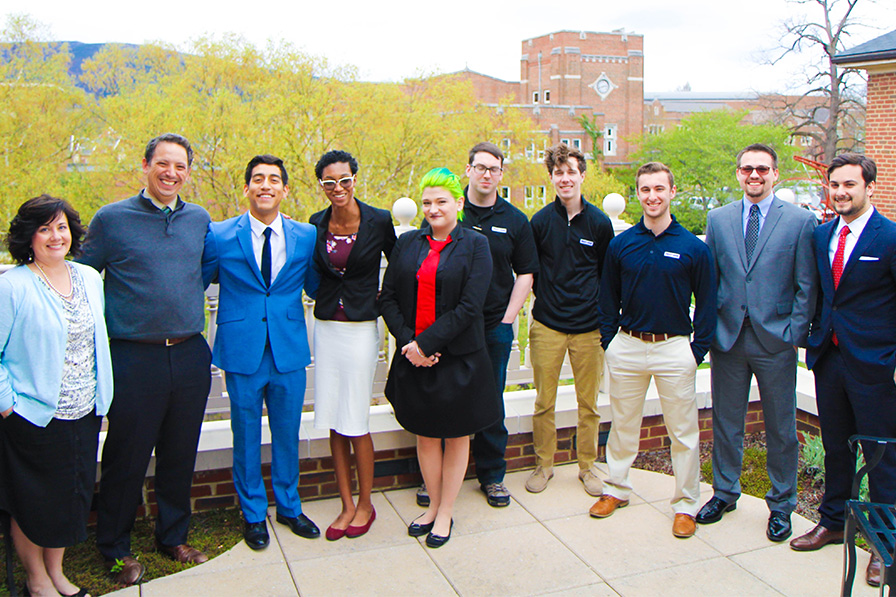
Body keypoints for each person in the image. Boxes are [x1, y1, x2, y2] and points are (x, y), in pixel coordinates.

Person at [79, 133, 212, 585]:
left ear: (188, 172)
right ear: (146, 165)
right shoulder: (112, 219)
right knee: (126, 455)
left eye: (180, 166)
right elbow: (82, 277)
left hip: (189, 353)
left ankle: (172, 537)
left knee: (180, 452)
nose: (171, 173)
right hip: (134, 356)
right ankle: (115, 549)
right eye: (163, 164)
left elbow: (208, 267)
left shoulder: (198, 219)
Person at [698, 143, 817, 543]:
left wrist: (793, 333)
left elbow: (806, 285)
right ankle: (724, 492)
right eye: (747, 168)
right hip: (729, 338)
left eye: (762, 169)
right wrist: (711, 328)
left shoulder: (800, 221)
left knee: (781, 427)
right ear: (738, 173)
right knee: (726, 422)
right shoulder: (718, 219)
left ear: (775, 174)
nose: (754, 175)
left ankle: (781, 505)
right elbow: (711, 278)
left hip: (775, 341)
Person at [589, 163, 716, 538]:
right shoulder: (622, 244)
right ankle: (616, 489)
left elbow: (708, 304)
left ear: (672, 192)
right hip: (627, 346)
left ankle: (686, 504)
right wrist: (610, 343)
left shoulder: (693, 248)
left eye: (659, 189)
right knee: (623, 425)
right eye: (645, 189)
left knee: (683, 433)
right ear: (638, 194)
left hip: (674, 349)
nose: (652, 196)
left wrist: (696, 352)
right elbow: (607, 298)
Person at [202, 155, 321, 550]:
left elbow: (317, 285)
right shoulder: (219, 235)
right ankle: (253, 513)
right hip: (242, 349)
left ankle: (289, 506)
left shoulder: (306, 235)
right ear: (247, 188)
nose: (265, 185)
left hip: (288, 348)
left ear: (284, 189)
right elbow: (197, 280)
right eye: (257, 179)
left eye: (273, 179)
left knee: (288, 432)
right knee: (246, 433)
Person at [378, 167, 498, 548]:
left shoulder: (476, 245)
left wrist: (426, 345)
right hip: (414, 357)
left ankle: (446, 510)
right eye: (427, 202)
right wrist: (410, 344)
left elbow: (470, 306)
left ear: (458, 203)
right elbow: (388, 298)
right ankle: (431, 506)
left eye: (441, 201)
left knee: (457, 435)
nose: (433, 209)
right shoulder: (407, 243)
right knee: (426, 434)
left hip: (459, 358)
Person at [791, 153, 895, 588]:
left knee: (881, 457)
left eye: (849, 184)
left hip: (875, 366)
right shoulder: (822, 235)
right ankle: (832, 522)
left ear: (869, 187)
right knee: (836, 447)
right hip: (829, 360)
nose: (840, 192)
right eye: (834, 184)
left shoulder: (889, 237)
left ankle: (885, 546)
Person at [0, 195, 113, 597]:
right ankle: (36, 580)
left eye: (61, 227)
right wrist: (8, 405)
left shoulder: (88, 277)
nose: (55, 236)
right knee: (33, 501)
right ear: (28, 237)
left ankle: (56, 572)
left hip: (84, 411)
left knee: (69, 496)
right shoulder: (12, 286)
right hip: (33, 415)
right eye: (44, 228)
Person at [416, 142, 539, 509]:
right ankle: (433, 478)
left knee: (490, 402)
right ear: (468, 170)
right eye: (481, 167)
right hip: (449, 327)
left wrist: (508, 317)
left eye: (494, 169)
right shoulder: (448, 210)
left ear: (501, 174)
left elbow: (526, 272)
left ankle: (492, 475)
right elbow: (425, 260)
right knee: (442, 397)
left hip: (492, 326)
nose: (487, 174)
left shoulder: (514, 219)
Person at [309, 150, 396, 540]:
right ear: (322, 185)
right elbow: (311, 269)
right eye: (329, 182)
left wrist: (383, 298)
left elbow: (400, 264)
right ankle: (345, 504)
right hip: (327, 327)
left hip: (361, 328)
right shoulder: (316, 223)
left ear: (354, 179)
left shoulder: (378, 220)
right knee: (333, 415)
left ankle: (365, 504)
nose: (338, 188)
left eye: (344, 180)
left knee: (355, 417)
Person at [526, 143, 614, 495]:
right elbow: (530, 271)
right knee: (543, 402)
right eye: (558, 172)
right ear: (551, 177)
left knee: (588, 404)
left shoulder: (599, 223)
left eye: (571, 172)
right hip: (547, 325)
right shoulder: (539, 222)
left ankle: (588, 467)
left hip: (588, 329)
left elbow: (608, 275)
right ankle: (543, 465)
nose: (565, 178)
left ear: (582, 176)